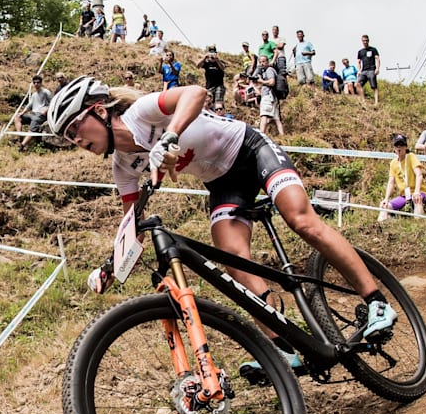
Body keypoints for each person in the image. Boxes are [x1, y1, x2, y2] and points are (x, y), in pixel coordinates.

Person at [50, 76, 399, 362]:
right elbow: (132, 224)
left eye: (75, 126)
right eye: (67, 136)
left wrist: (170, 136)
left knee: (302, 221)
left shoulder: (142, 112)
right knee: (233, 260)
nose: (75, 139)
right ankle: (282, 348)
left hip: (251, 150)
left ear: (99, 111)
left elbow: (196, 93)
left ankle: (376, 303)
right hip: (223, 183)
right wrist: (110, 266)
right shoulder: (123, 168)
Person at [380, 133, 426, 220]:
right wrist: (386, 199)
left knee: (417, 199)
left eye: (401, 145)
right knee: (385, 206)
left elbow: (419, 174)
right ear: (394, 148)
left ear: (405, 147)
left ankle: (419, 223)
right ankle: (382, 225)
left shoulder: (411, 157)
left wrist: (417, 191)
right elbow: (391, 182)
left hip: (418, 192)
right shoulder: (393, 163)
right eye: (397, 145)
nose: (399, 147)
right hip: (404, 196)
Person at [18, 75, 53, 151]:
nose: (36, 84)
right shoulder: (34, 95)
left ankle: (22, 146)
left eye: (37, 82)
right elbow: (29, 105)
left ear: (41, 83)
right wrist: (22, 112)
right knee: (17, 117)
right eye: (34, 82)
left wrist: (46, 110)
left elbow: (53, 103)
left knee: (34, 123)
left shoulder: (46, 92)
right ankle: (19, 138)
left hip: (41, 115)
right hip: (33, 113)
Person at [256, 53, 284, 137]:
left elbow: (272, 82)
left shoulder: (269, 70)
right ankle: (283, 136)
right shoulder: (269, 70)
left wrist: (261, 81)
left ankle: (261, 136)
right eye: (260, 62)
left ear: (268, 62)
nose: (262, 64)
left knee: (264, 115)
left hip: (268, 96)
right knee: (276, 119)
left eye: (263, 61)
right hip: (273, 97)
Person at [199, 47, 226, 112]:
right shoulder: (206, 63)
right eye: (210, 53)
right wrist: (204, 58)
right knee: (208, 101)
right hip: (209, 86)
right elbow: (198, 66)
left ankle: (220, 113)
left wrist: (217, 60)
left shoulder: (220, 62)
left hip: (219, 85)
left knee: (218, 102)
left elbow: (223, 68)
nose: (212, 54)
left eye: (213, 53)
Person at [357, 35, 381, 105]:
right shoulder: (360, 51)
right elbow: (358, 61)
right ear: (362, 41)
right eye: (363, 41)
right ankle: (363, 101)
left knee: (374, 86)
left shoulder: (373, 49)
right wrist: (359, 70)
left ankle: (376, 102)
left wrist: (377, 68)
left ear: (368, 40)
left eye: (366, 40)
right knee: (357, 84)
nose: (365, 42)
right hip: (363, 71)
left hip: (371, 70)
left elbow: (377, 59)